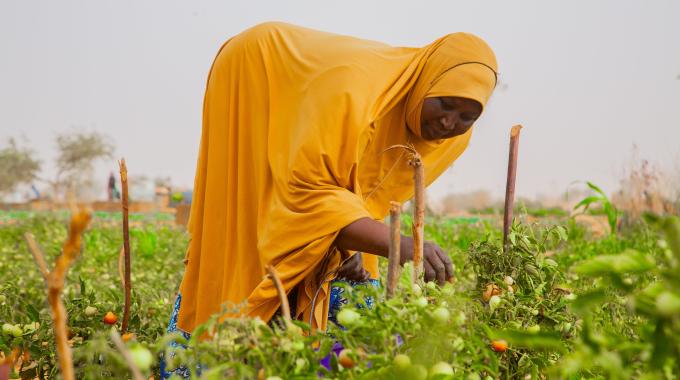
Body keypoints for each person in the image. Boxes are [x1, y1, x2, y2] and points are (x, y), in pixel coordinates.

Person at [165, 21, 497, 359]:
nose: (449, 123)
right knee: (247, 230)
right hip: (258, 71)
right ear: (426, 83)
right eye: (444, 103)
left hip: (316, 137)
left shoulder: (448, 140)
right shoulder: (352, 91)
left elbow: (359, 193)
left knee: (344, 275)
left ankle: (299, 349)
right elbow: (307, 191)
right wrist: (400, 244)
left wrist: (343, 249)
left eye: (467, 116)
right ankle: (213, 352)